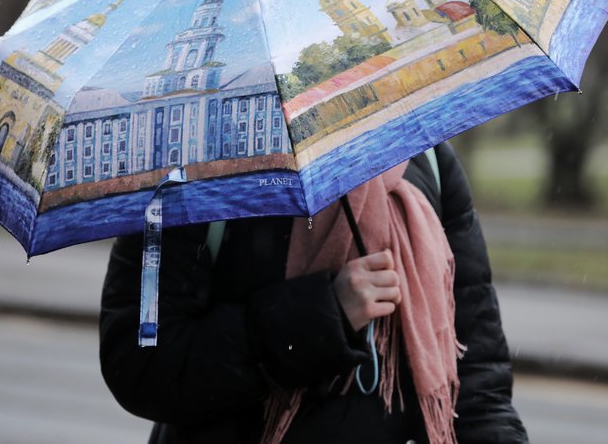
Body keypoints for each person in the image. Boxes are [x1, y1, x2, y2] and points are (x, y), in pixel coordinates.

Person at [99, 142, 529, 443]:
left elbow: (476, 377)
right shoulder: (190, 173)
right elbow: (142, 361)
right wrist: (322, 316)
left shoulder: (427, 156)